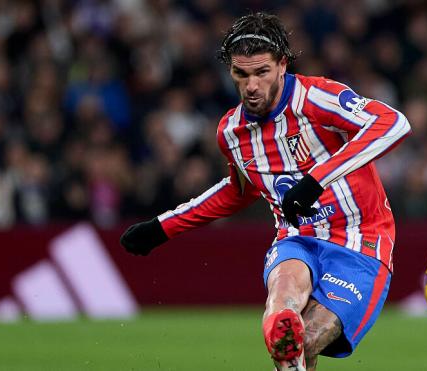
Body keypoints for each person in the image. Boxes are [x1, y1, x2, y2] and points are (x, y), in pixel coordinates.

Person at [120, 12, 411, 371]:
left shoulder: (316, 97)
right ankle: (282, 324)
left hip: (360, 240)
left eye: (261, 72)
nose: (251, 86)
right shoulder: (231, 131)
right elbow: (237, 192)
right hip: (296, 237)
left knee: (306, 340)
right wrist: (162, 227)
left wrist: (316, 179)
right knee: (284, 304)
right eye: (241, 74)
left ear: (283, 65)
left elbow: (393, 123)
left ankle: (289, 342)